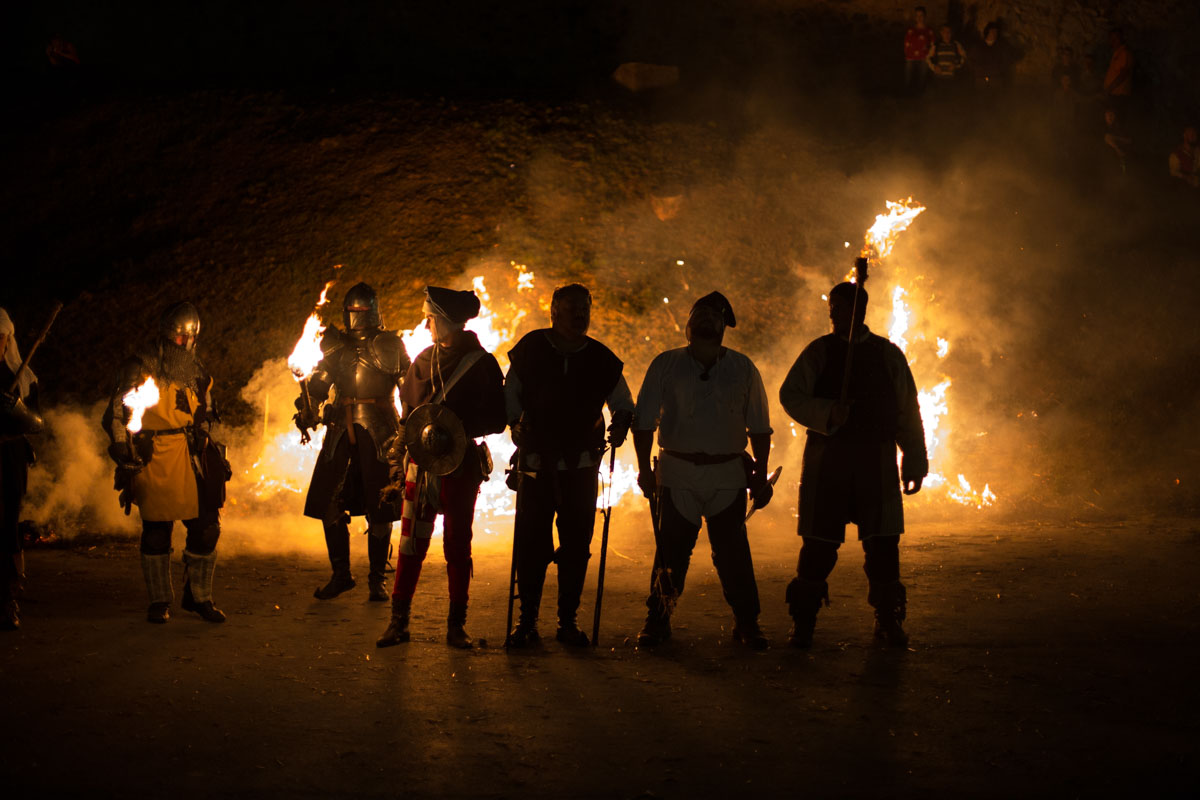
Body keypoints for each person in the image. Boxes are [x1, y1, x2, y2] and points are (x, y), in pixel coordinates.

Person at [779, 282, 927, 648]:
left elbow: (908, 409)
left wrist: (915, 457)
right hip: (827, 462)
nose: (834, 313)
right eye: (832, 306)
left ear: (859, 310)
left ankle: (888, 620)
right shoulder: (820, 352)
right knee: (817, 547)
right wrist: (829, 412)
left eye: (841, 307)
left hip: (875, 461)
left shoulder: (887, 354)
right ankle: (804, 621)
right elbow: (790, 394)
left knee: (883, 546)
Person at [632, 292, 774, 649]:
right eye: (701, 315)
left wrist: (760, 473)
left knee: (733, 552)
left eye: (714, 317)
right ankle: (658, 618)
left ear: (723, 328)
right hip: (678, 472)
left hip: (726, 475)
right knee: (672, 551)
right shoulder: (666, 364)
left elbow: (759, 427)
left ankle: (747, 622)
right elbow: (644, 422)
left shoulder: (742, 368)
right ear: (688, 324)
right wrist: (643, 469)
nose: (707, 320)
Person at [503, 284, 635, 647]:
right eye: (573, 308)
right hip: (536, 464)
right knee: (531, 545)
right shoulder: (530, 350)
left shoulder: (601, 359)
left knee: (576, 546)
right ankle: (527, 622)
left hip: (580, 467)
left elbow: (622, 399)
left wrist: (621, 419)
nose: (580, 315)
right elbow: (511, 394)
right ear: (554, 311)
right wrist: (517, 426)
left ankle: (567, 622)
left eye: (585, 309)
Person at [376, 286, 505, 649]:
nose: (425, 323)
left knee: (457, 546)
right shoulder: (423, 359)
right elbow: (408, 410)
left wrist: (458, 430)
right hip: (420, 466)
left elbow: (497, 417)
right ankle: (398, 622)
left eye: (429, 317)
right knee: (409, 544)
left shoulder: (482, 364)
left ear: (445, 320)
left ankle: (456, 626)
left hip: (460, 467)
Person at [103, 303, 230, 624]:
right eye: (178, 338)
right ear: (166, 336)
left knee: (206, 528)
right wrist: (121, 446)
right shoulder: (140, 367)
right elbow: (118, 413)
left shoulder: (197, 371)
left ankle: (199, 597)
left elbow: (205, 412)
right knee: (157, 532)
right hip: (153, 453)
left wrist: (204, 436)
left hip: (189, 455)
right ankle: (159, 601)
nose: (182, 345)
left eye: (187, 339)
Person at [298, 283, 409, 602]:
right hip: (339, 430)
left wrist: (410, 426)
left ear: (372, 311)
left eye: (360, 311)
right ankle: (341, 574)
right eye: (351, 311)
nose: (355, 317)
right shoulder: (334, 345)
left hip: (381, 431)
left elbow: (408, 389)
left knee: (382, 503)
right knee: (327, 500)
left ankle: (377, 578)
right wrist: (307, 407)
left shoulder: (391, 344)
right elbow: (319, 385)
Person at [0, 309, 41, 630]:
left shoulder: (22, 377)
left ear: (8, 340)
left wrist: (15, 409)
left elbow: (36, 422)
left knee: (7, 521)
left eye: (0, 338)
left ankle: (8, 597)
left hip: (10, 456)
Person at [903, 7, 935, 95]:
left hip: (923, 58)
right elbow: (906, 43)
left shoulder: (929, 31)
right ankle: (908, 95)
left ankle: (920, 96)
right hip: (910, 58)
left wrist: (929, 57)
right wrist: (907, 55)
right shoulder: (911, 30)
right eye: (917, 15)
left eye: (921, 15)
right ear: (915, 17)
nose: (919, 18)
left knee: (922, 79)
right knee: (908, 78)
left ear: (925, 16)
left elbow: (933, 45)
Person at [926, 24, 967, 94]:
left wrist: (956, 65)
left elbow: (964, 57)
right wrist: (934, 67)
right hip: (939, 79)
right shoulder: (936, 45)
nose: (947, 34)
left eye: (949, 32)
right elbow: (928, 58)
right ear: (941, 33)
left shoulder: (956, 45)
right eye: (945, 32)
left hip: (953, 79)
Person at [1103, 29, 1133, 113]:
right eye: (1111, 38)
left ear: (1121, 38)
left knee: (1117, 120)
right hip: (1114, 94)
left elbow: (1123, 74)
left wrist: (1109, 88)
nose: (1113, 41)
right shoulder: (1117, 53)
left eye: (1116, 38)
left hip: (1119, 96)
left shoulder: (1124, 53)